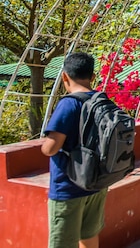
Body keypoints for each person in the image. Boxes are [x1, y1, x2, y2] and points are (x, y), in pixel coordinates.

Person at [41, 52, 108, 248]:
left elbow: (51, 148)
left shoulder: (68, 104)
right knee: (89, 237)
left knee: (63, 243)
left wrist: (45, 145)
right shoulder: (102, 102)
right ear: (92, 77)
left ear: (64, 76)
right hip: (96, 183)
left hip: (68, 188)